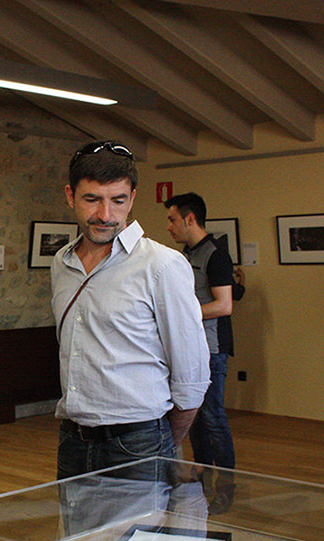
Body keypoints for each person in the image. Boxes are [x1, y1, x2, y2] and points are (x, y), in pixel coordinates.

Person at [51, 140, 209, 489]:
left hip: (139, 441)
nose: (106, 214)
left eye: (118, 200)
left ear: (132, 199)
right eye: (92, 199)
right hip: (72, 439)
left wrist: (166, 441)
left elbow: (192, 376)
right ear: (70, 195)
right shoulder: (61, 263)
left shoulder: (161, 265)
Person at [165, 192, 237, 472]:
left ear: (190, 218)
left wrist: (181, 313)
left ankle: (227, 479)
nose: (169, 226)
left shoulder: (216, 255)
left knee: (213, 416)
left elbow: (224, 305)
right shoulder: (186, 254)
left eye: (173, 220)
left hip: (212, 348)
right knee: (192, 414)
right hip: (190, 346)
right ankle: (203, 473)